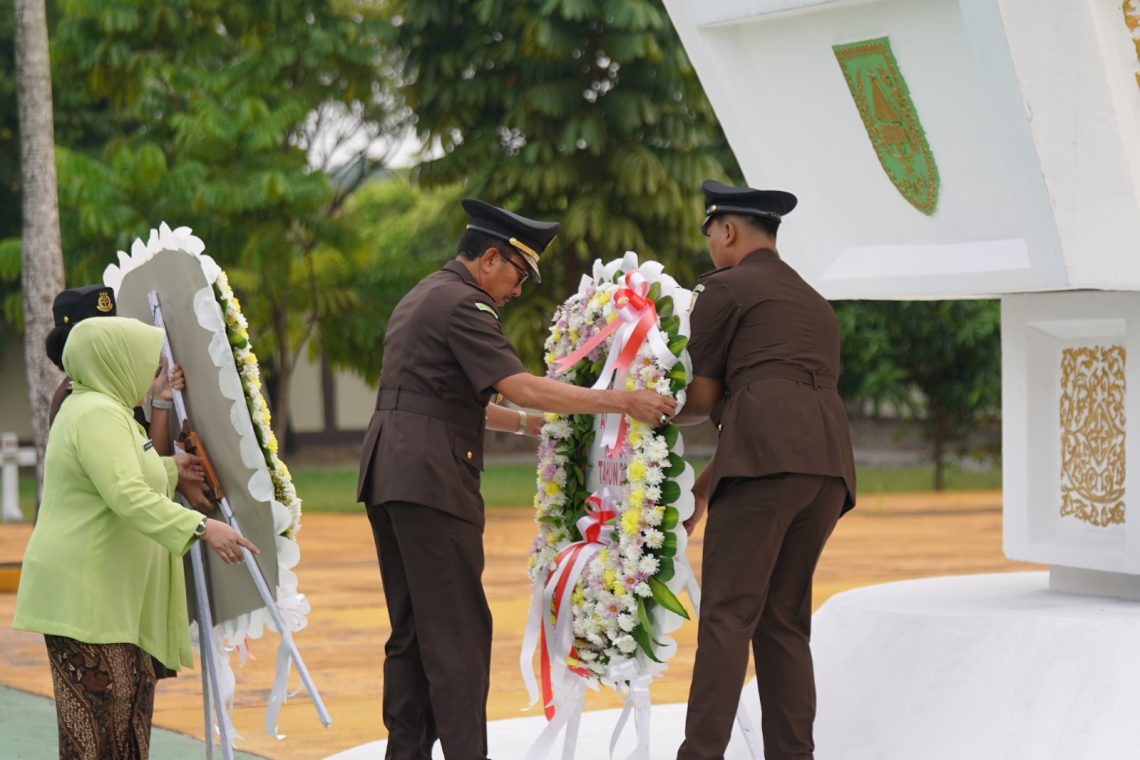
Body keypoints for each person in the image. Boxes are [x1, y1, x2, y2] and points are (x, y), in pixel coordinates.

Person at [357, 198, 676, 759]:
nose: (517, 290)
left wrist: (534, 428)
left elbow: (456, 400)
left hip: (391, 473)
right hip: (431, 481)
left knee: (411, 635)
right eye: (518, 274)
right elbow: (519, 384)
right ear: (487, 259)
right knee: (458, 635)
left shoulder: (423, 296)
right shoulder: (465, 305)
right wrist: (622, 399)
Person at [13, 316, 258, 760]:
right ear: (114, 363)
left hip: (111, 602)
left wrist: (173, 467)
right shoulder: (94, 415)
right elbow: (126, 492)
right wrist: (203, 527)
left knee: (125, 720)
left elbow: (134, 470)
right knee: (96, 733)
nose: (149, 379)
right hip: (86, 602)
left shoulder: (111, 412)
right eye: (144, 367)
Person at [674, 180, 856, 760]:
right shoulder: (812, 300)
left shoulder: (724, 289)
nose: (710, 247)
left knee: (727, 617)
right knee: (782, 621)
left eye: (710, 234)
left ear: (726, 230)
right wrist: (704, 488)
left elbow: (702, 404)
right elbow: (771, 399)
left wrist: (636, 404)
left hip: (763, 468)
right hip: (825, 468)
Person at [44, 284, 209, 505]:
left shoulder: (110, 389)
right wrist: (200, 527)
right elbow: (131, 487)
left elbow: (152, 460)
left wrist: (160, 399)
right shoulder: (81, 403)